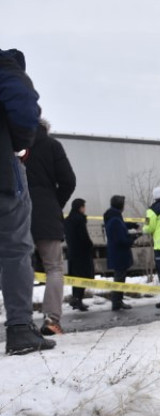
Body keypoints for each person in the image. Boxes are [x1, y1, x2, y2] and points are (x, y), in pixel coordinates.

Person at [0, 48, 56, 355]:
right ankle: (20, 329)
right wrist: (19, 143)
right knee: (15, 250)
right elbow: (23, 106)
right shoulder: (4, 64)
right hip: (2, 176)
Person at [25, 118, 76, 335]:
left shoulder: (11, 145)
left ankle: (21, 321)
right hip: (47, 212)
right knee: (54, 267)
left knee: (20, 267)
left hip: (16, 213)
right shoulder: (52, 145)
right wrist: (55, 203)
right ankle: (51, 320)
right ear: (45, 128)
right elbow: (68, 181)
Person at [104, 195, 138, 311]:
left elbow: (121, 226)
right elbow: (121, 240)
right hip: (120, 254)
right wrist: (134, 237)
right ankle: (117, 302)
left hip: (117, 254)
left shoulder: (113, 217)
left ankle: (118, 301)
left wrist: (131, 225)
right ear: (121, 206)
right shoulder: (115, 220)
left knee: (119, 278)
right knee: (119, 279)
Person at [63, 198, 93, 311]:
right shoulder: (79, 219)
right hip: (82, 253)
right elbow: (84, 237)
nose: (84, 209)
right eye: (84, 206)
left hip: (72, 252)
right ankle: (78, 300)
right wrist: (90, 245)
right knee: (82, 276)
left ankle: (75, 299)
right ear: (80, 207)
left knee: (75, 277)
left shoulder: (68, 220)